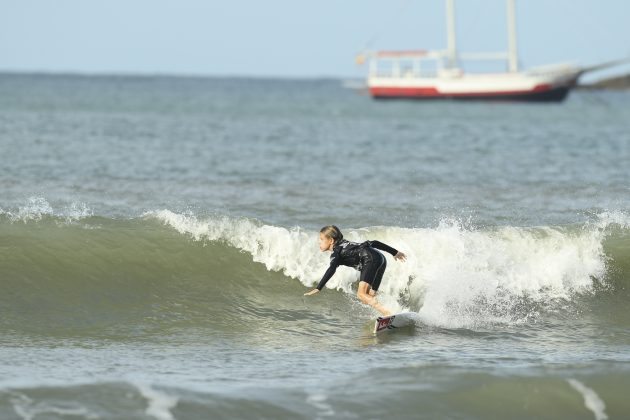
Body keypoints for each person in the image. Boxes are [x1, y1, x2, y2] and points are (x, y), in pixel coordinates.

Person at [304, 225, 406, 316]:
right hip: (380, 258)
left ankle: (388, 313)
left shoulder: (337, 252)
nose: (319, 242)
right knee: (370, 295)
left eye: (321, 239)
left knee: (361, 294)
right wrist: (394, 252)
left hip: (369, 259)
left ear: (331, 240)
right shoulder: (347, 244)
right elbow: (373, 243)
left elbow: (331, 269)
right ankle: (393, 309)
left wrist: (319, 288)